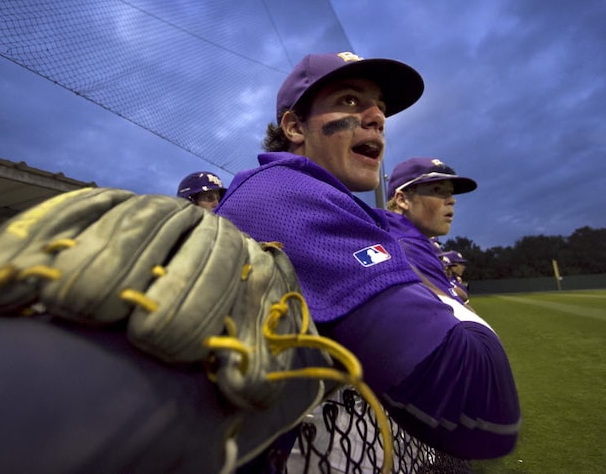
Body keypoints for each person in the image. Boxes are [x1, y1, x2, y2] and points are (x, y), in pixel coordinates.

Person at [215, 52, 520, 461]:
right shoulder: (286, 195)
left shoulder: (305, 193)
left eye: (381, 108)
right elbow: (485, 409)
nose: (377, 116)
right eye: (349, 101)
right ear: (294, 126)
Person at [384, 157, 476, 306]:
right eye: (437, 190)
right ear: (402, 200)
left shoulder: (406, 242)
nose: (452, 200)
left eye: (450, 193)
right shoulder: (405, 249)